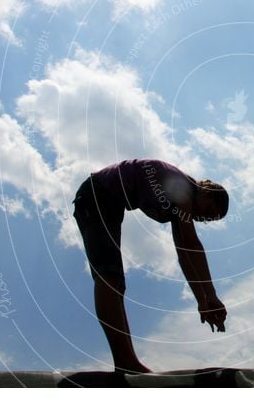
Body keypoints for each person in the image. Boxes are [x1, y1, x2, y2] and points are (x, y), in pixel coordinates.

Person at [72, 159, 229, 374]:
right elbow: (190, 244)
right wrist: (209, 296)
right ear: (207, 190)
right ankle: (125, 361)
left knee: (115, 281)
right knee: (109, 276)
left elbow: (184, 253)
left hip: (101, 197)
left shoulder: (181, 203)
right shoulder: (184, 188)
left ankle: (126, 361)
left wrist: (204, 300)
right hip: (98, 194)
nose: (201, 218)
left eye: (206, 220)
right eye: (208, 212)